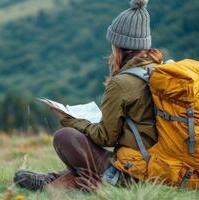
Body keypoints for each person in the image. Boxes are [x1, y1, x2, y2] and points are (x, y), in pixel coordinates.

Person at [14, 0, 162, 191]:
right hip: (161, 167)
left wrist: (69, 120)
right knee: (86, 150)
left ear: (118, 46)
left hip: (136, 173)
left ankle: (85, 183)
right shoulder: (159, 71)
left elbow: (105, 138)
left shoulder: (123, 82)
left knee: (65, 137)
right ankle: (55, 180)